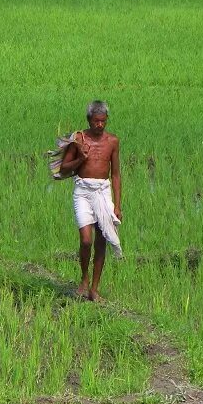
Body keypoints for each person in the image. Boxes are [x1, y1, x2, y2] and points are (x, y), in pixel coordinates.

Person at [57, 101, 122, 301]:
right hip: (83, 192)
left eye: (103, 121)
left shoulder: (112, 141)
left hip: (103, 193)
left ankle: (94, 289)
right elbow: (64, 169)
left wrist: (118, 206)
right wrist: (80, 159)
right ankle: (84, 280)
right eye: (96, 121)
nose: (99, 125)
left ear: (106, 120)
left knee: (101, 241)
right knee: (86, 240)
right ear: (89, 120)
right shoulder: (78, 139)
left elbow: (116, 175)